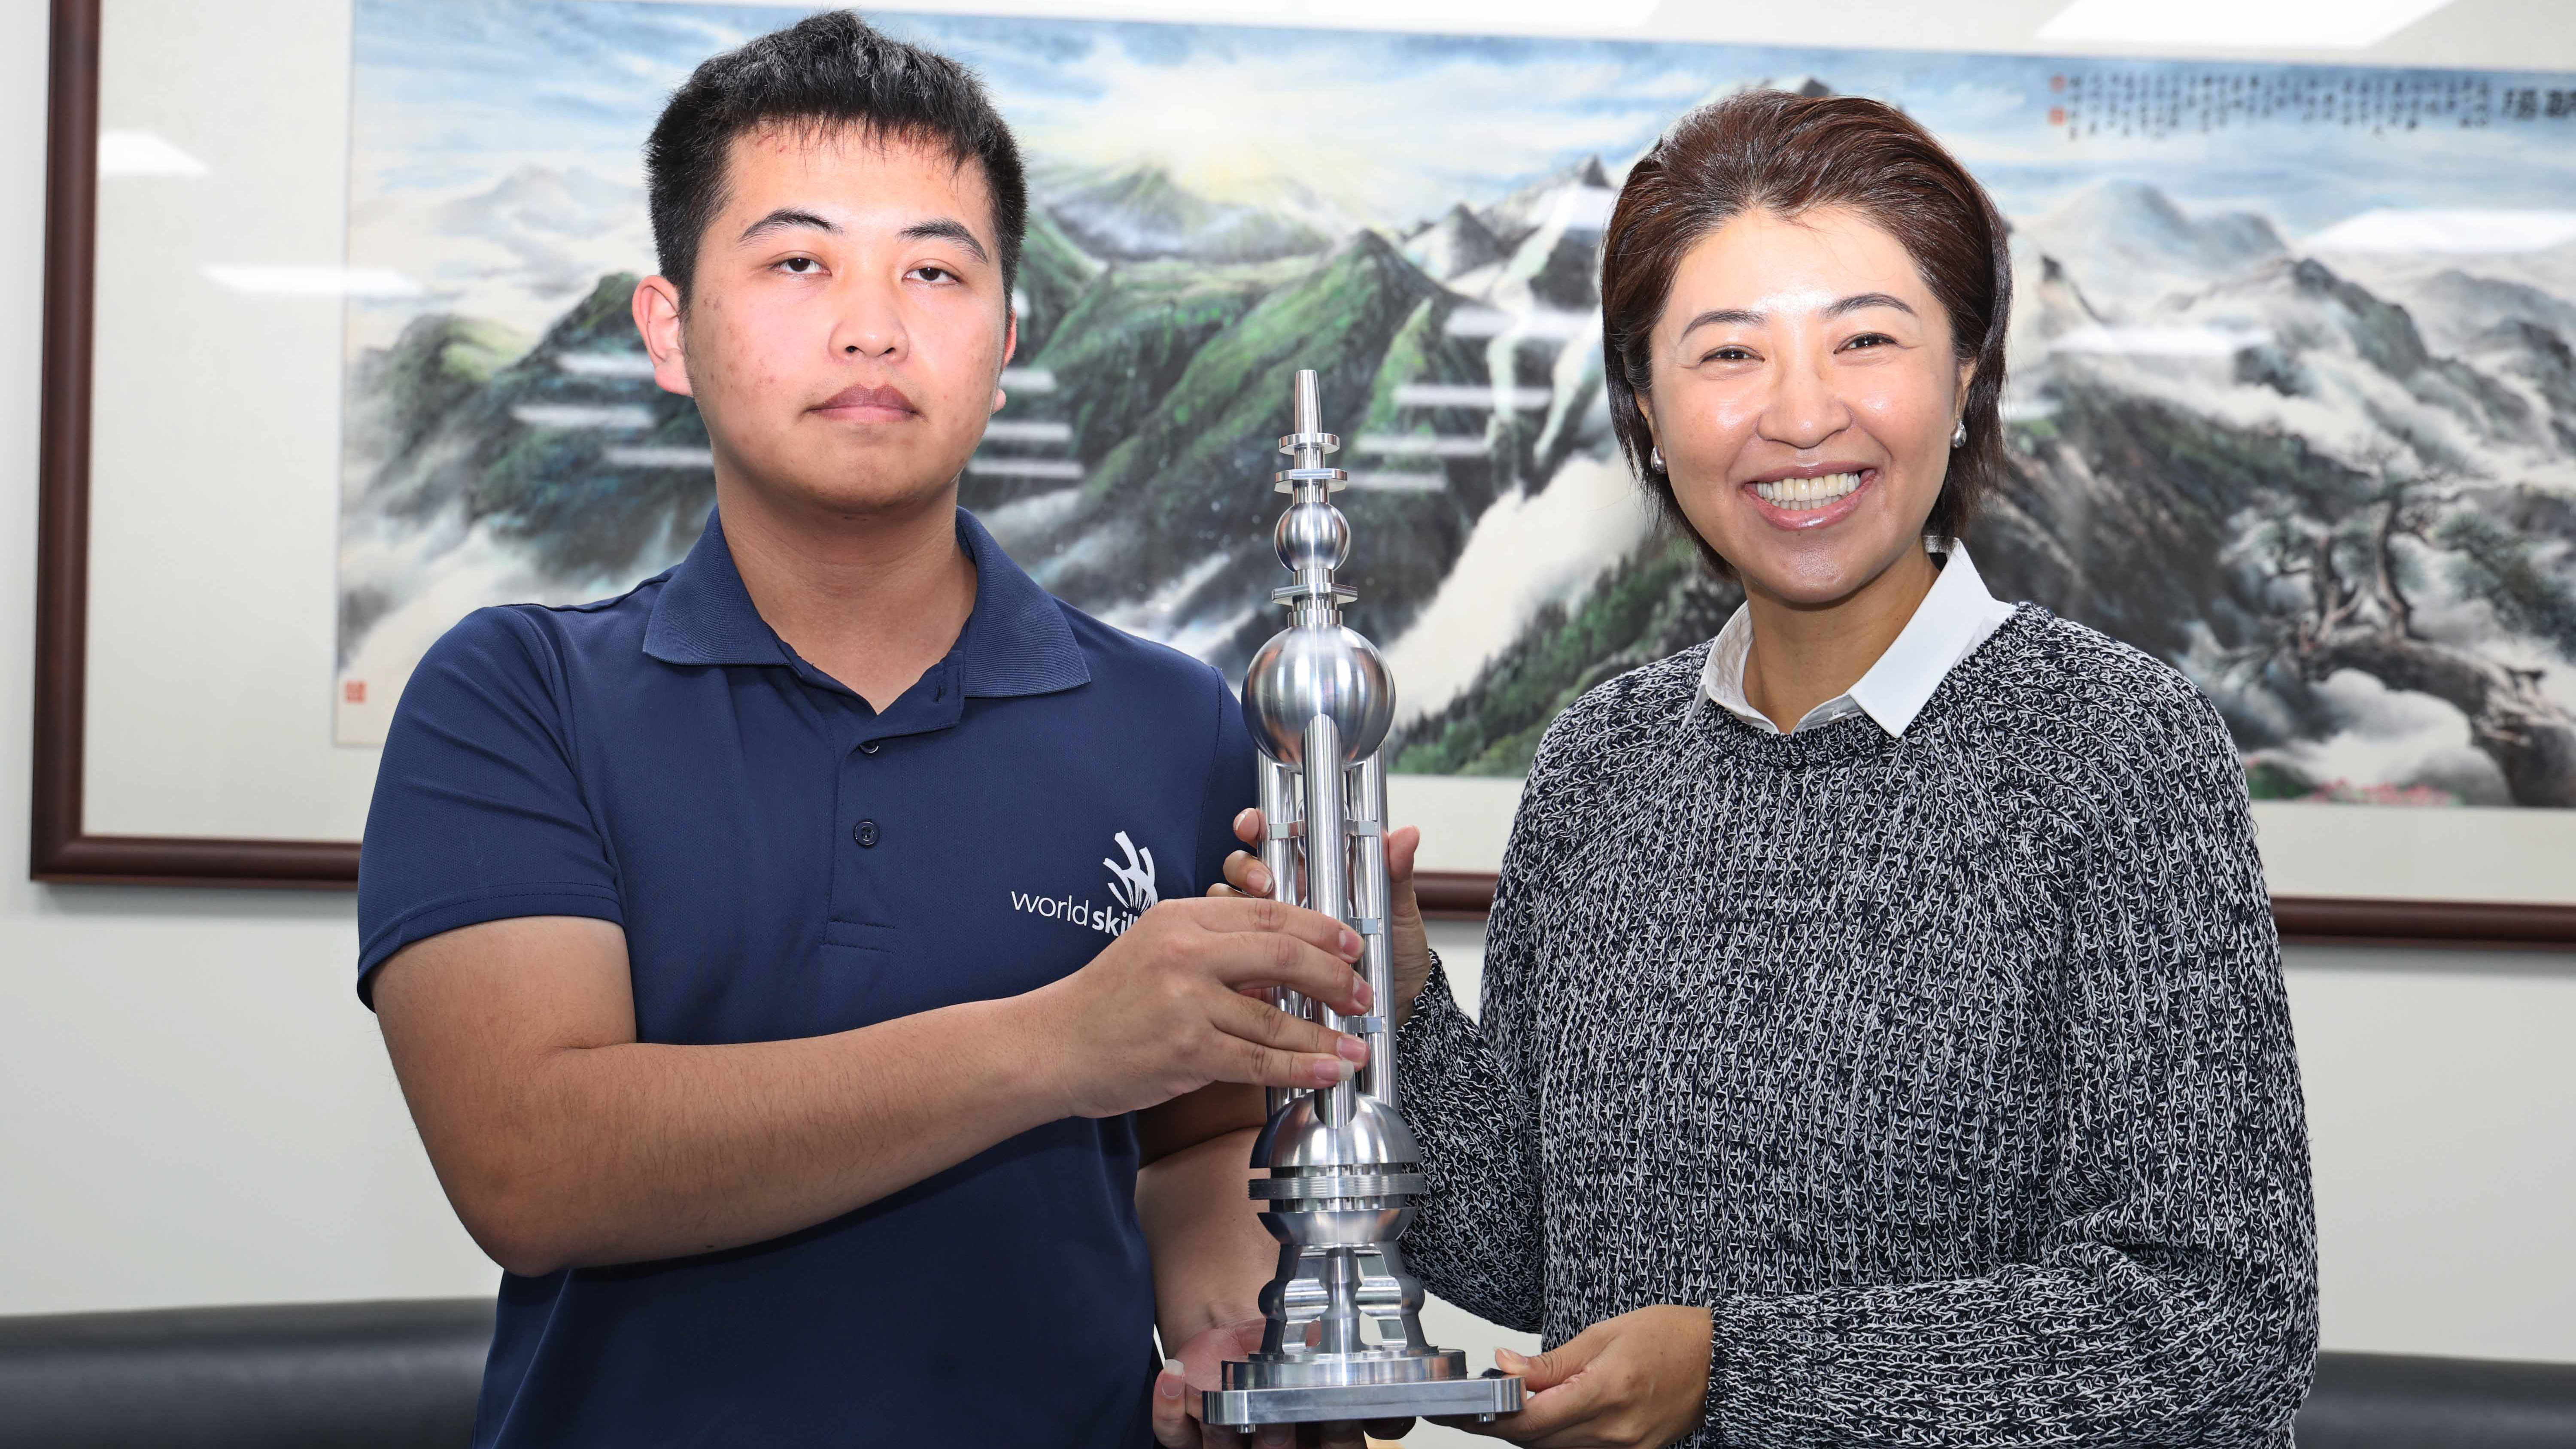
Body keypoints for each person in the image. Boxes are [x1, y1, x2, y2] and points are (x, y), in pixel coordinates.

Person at [1203, 91, 2318, 1448]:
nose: (1801, 415)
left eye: (1866, 340)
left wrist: (1736, 1375)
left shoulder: (2116, 748)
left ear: (1967, 373)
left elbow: (2215, 1329)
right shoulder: (1603, 761)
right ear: (1646, 405)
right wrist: (1397, 993)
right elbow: (1541, 1252)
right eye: (1730, 353)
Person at [358, 14, 1381, 1446]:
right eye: (798, 263)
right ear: (669, 329)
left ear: (1006, 341)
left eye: (934, 271)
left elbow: (1199, 1141)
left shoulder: (1175, 718)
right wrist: (1054, 1042)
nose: (872, 327)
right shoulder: (516, 696)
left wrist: (1231, 1333)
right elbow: (534, 1164)